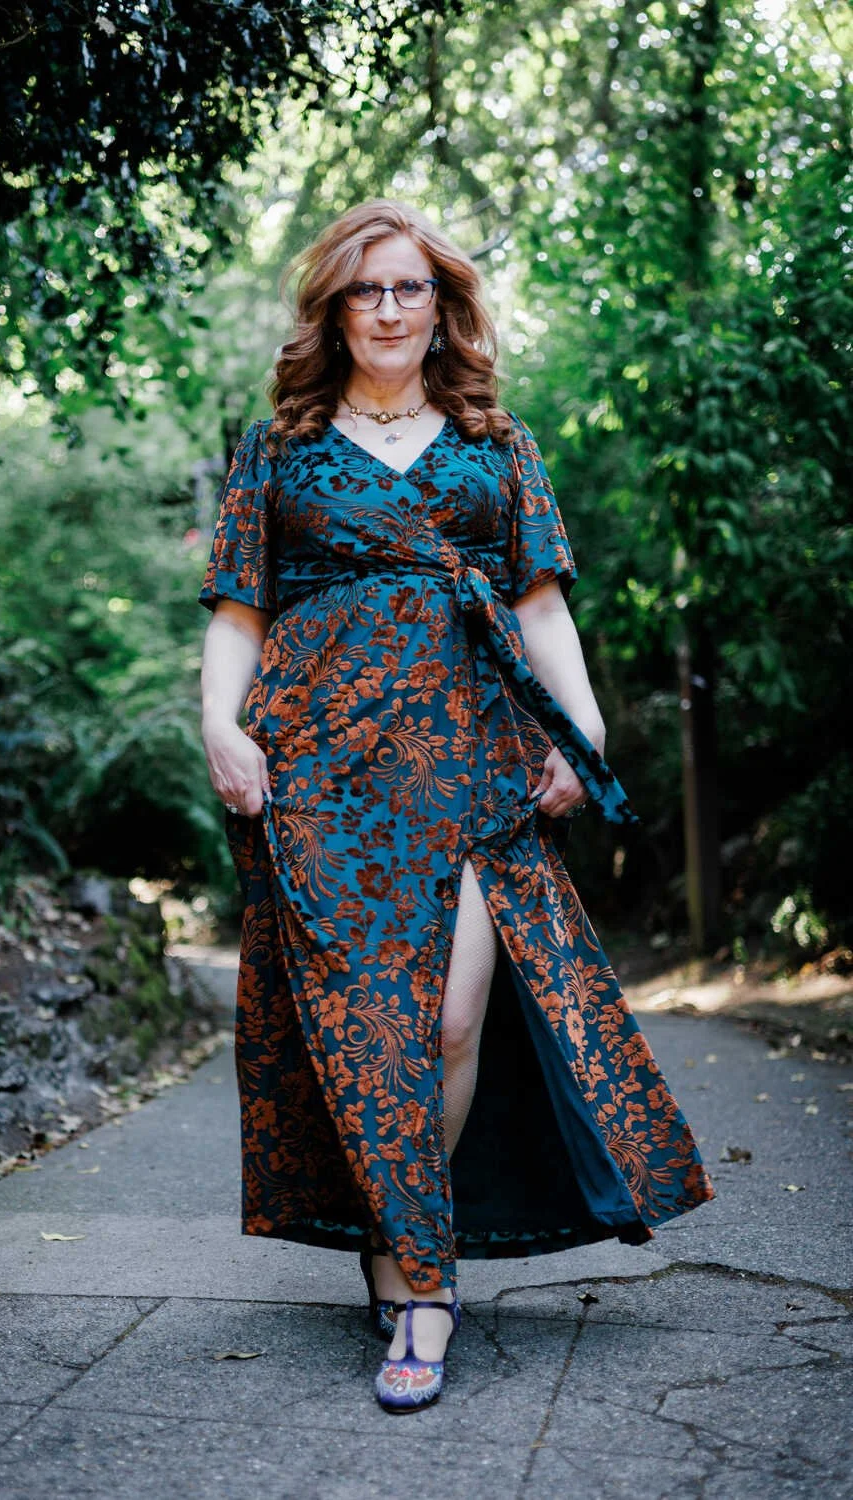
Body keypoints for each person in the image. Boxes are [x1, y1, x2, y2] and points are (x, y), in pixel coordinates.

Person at [198, 199, 714, 1413]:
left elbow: (539, 607)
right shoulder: (279, 446)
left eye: (409, 289)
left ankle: (408, 1249)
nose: (387, 309)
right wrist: (220, 725)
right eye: (365, 291)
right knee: (361, 1027)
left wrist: (576, 730)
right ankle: (415, 1280)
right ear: (334, 308)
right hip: (318, 761)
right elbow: (237, 613)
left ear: (442, 306)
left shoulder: (498, 443)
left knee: (446, 1025)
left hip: (470, 754)